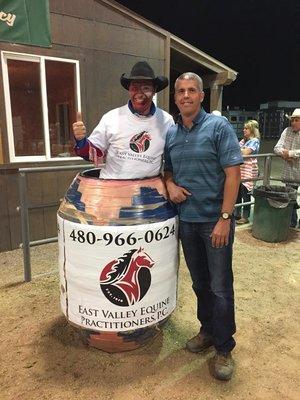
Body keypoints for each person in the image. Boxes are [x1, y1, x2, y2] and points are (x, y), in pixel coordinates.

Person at [164, 72, 243, 381]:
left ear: (201, 96)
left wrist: (225, 219)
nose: (186, 95)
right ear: (175, 98)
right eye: (180, 91)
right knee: (199, 284)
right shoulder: (172, 133)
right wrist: (169, 186)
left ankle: (224, 347)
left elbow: (233, 175)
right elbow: (168, 171)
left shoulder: (218, 127)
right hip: (187, 222)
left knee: (220, 287)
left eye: (192, 90)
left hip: (214, 222)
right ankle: (207, 331)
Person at [73, 61, 174, 179]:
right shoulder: (111, 117)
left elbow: (171, 159)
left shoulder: (166, 121)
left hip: (149, 192)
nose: (139, 93)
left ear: (154, 90)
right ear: (129, 90)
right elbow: (93, 154)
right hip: (111, 189)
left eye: (146, 88)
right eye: (134, 88)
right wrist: (81, 141)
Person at [274, 108, 300, 228]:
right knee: (290, 198)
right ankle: (292, 222)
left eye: (296, 120)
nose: (293, 122)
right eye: (292, 120)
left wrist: (289, 154)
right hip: (290, 171)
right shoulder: (287, 131)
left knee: (291, 197)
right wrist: (284, 154)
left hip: (294, 168)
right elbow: (277, 147)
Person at [235, 120, 260, 224]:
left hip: (249, 171)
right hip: (240, 170)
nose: (244, 130)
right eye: (244, 128)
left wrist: (237, 150)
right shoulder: (243, 141)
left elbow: (245, 152)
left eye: (246, 128)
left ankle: (245, 216)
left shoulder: (255, 141)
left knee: (246, 194)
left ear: (252, 130)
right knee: (237, 193)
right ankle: (237, 213)